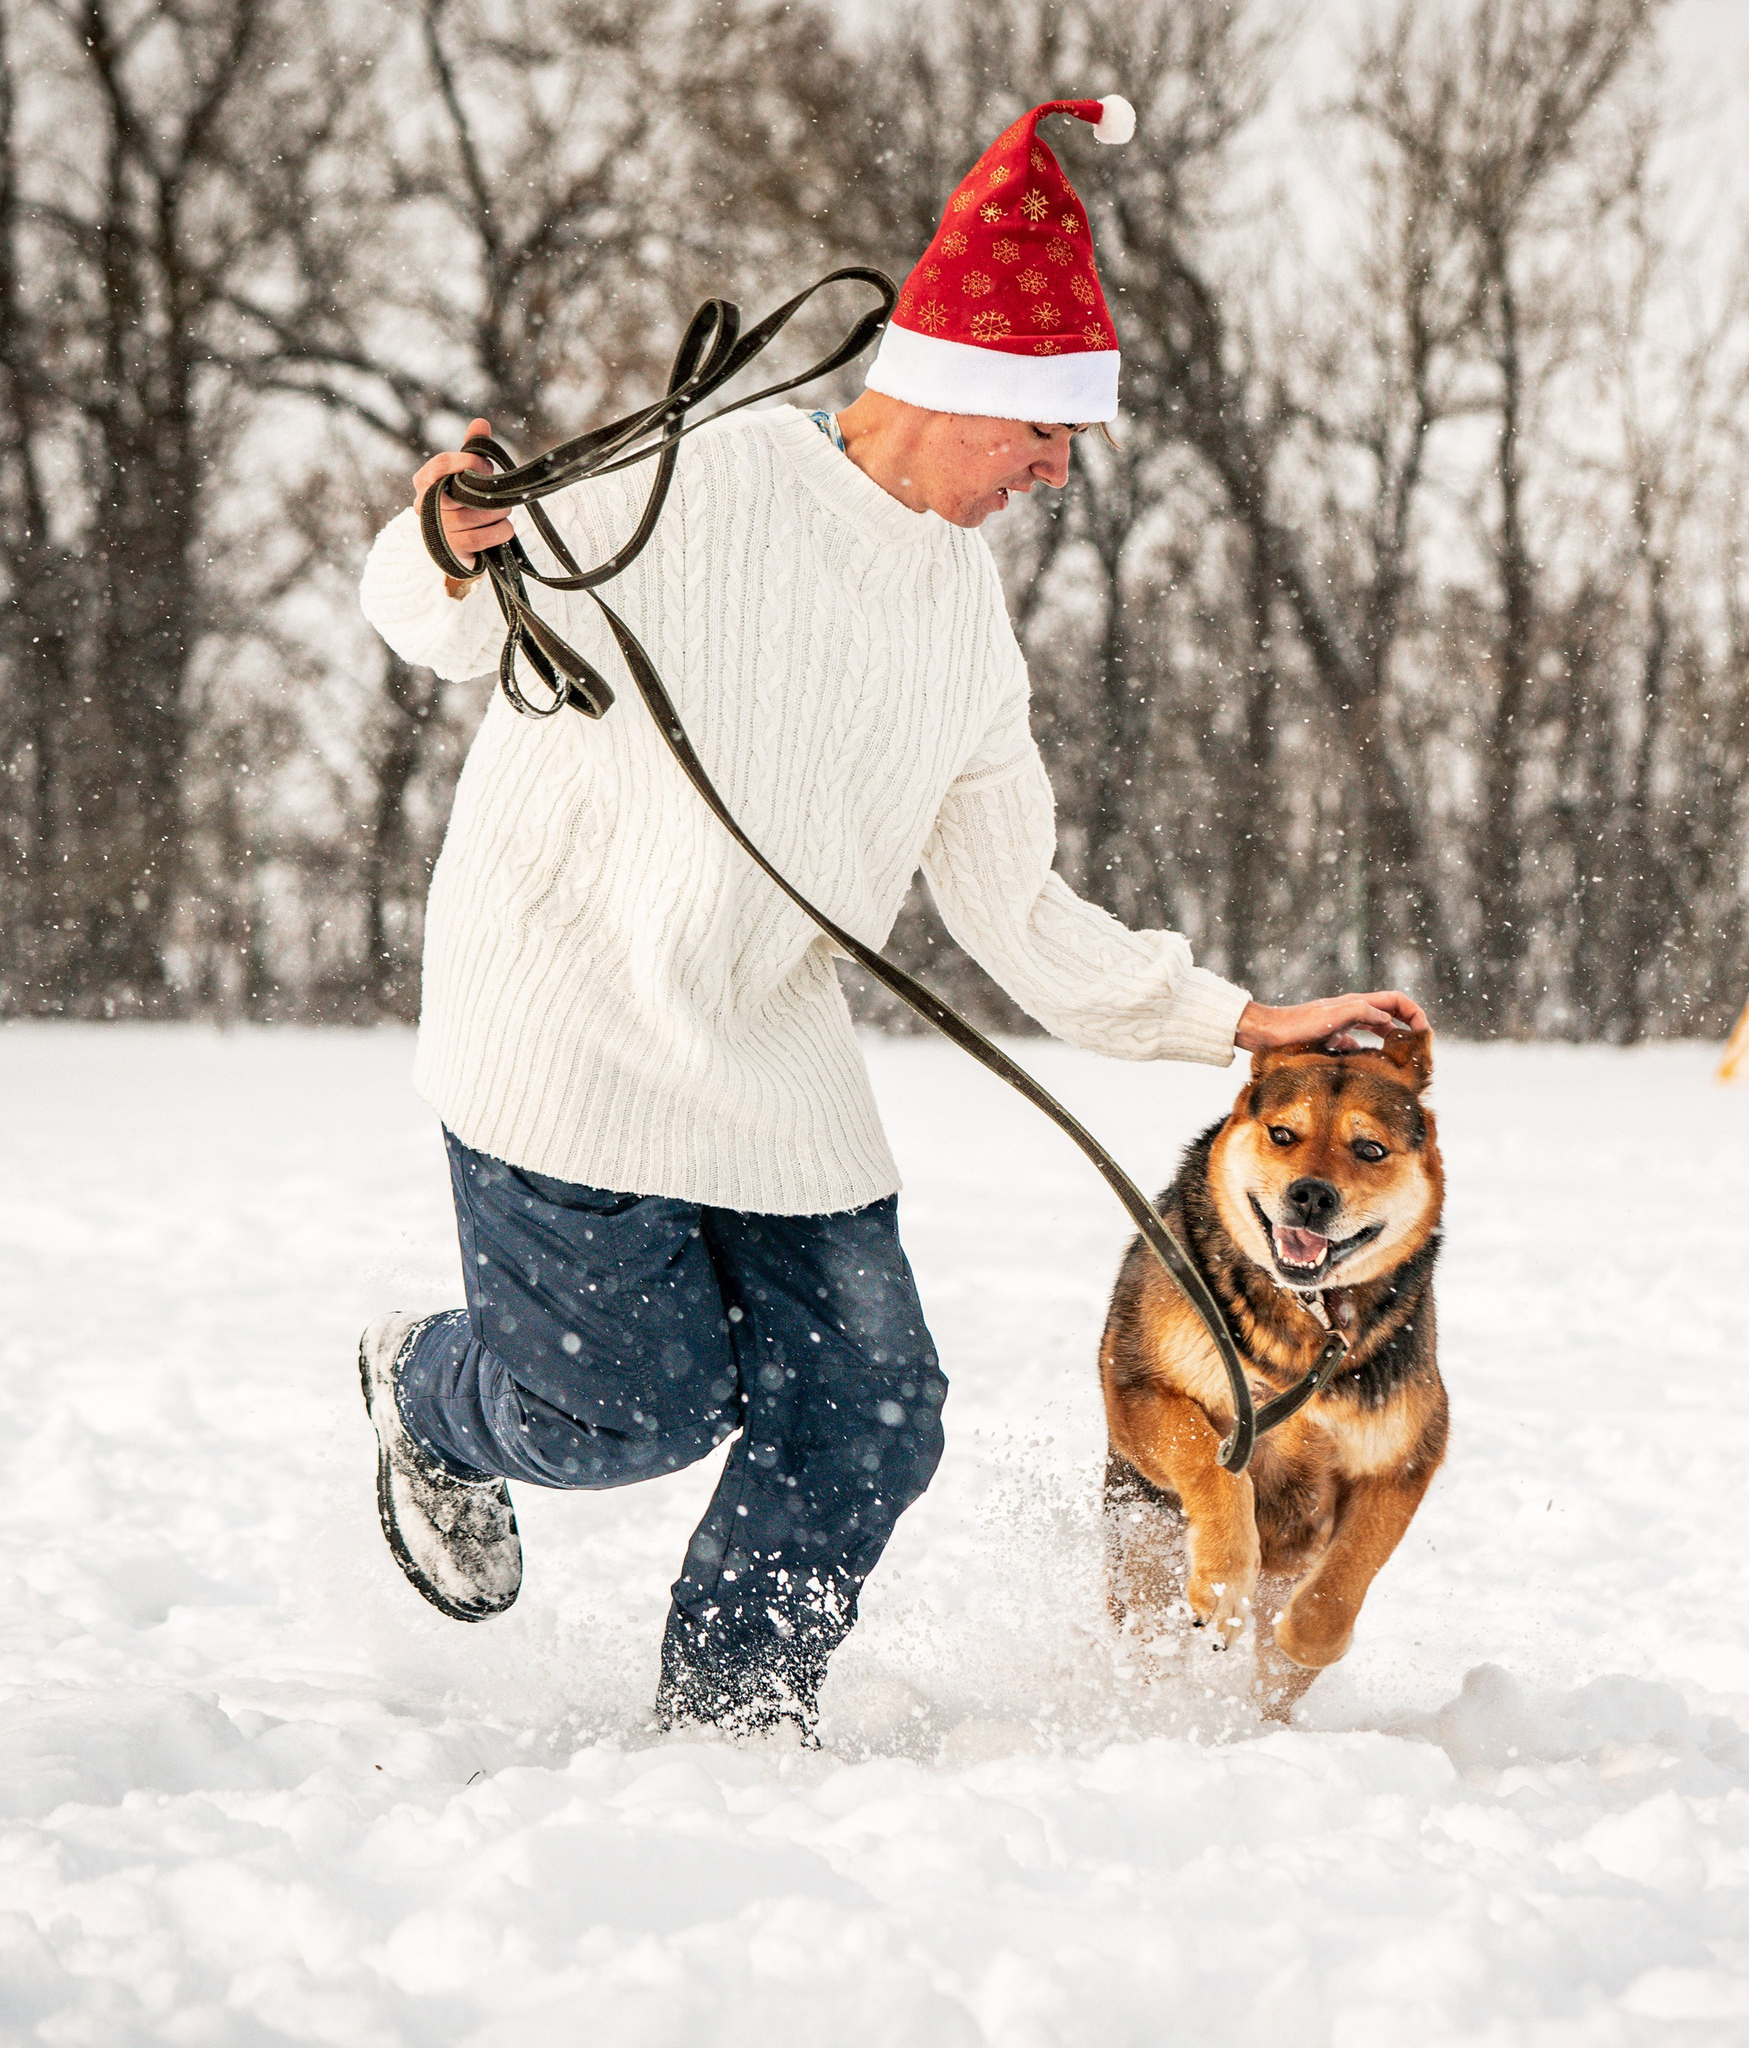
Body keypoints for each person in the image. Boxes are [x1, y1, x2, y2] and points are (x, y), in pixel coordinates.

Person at [354, 93, 1427, 1738]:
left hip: (767, 1064)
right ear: (956, 386)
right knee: (624, 1413)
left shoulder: (964, 627)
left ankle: (730, 1724)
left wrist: (1236, 1022)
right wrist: (441, 538)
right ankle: (432, 1391)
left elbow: (1018, 907)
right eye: (1045, 435)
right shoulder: (686, 483)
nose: (1056, 471)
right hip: (561, 1031)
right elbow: (429, 617)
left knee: (870, 1407)